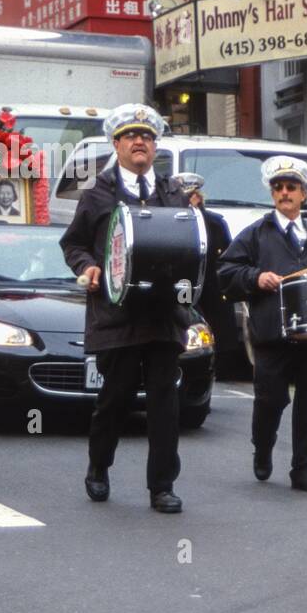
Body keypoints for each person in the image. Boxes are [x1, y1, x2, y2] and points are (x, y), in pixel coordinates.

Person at [59, 103, 187, 514]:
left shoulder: (174, 193)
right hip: (118, 317)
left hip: (163, 316)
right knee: (114, 400)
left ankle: (162, 486)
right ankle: (99, 467)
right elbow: (72, 244)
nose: (139, 142)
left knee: (165, 406)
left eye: (147, 137)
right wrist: (88, 266)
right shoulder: (97, 194)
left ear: (155, 147)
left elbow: (194, 244)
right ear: (116, 145)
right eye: (131, 137)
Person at [218, 156, 307, 493]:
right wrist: (256, 277)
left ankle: (304, 469)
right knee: (270, 399)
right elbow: (225, 272)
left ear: (304, 194)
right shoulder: (255, 233)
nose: (284, 193)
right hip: (271, 333)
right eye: (278, 187)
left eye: (291, 187)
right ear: (272, 194)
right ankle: (263, 447)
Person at [187, 184, 243, 381]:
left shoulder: (215, 222)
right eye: (187, 196)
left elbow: (227, 256)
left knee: (220, 325)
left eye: (194, 195)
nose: (192, 199)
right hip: (184, 282)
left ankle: (221, 366)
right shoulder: (176, 219)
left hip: (211, 282)